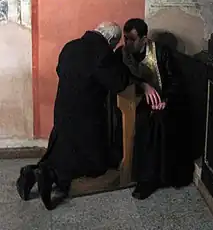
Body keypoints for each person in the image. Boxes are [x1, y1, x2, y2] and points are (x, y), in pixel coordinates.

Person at [16, 22, 131, 210]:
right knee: (92, 163)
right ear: (110, 40)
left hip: (63, 107)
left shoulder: (71, 45)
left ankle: (32, 172)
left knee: (62, 148)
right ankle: (50, 175)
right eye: (115, 43)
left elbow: (59, 70)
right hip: (87, 114)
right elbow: (118, 83)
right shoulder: (102, 53)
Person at [115, 18, 194, 200]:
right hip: (138, 100)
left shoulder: (161, 52)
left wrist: (165, 99)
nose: (127, 43)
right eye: (125, 38)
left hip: (167, 99)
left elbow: (175, 80)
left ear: (144, 40)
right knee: (144, 122)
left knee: (161, 121)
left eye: (131, 39)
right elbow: (121, 76)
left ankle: (164, 176)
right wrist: (143, 86)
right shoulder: (123, 53)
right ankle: (146, 179)